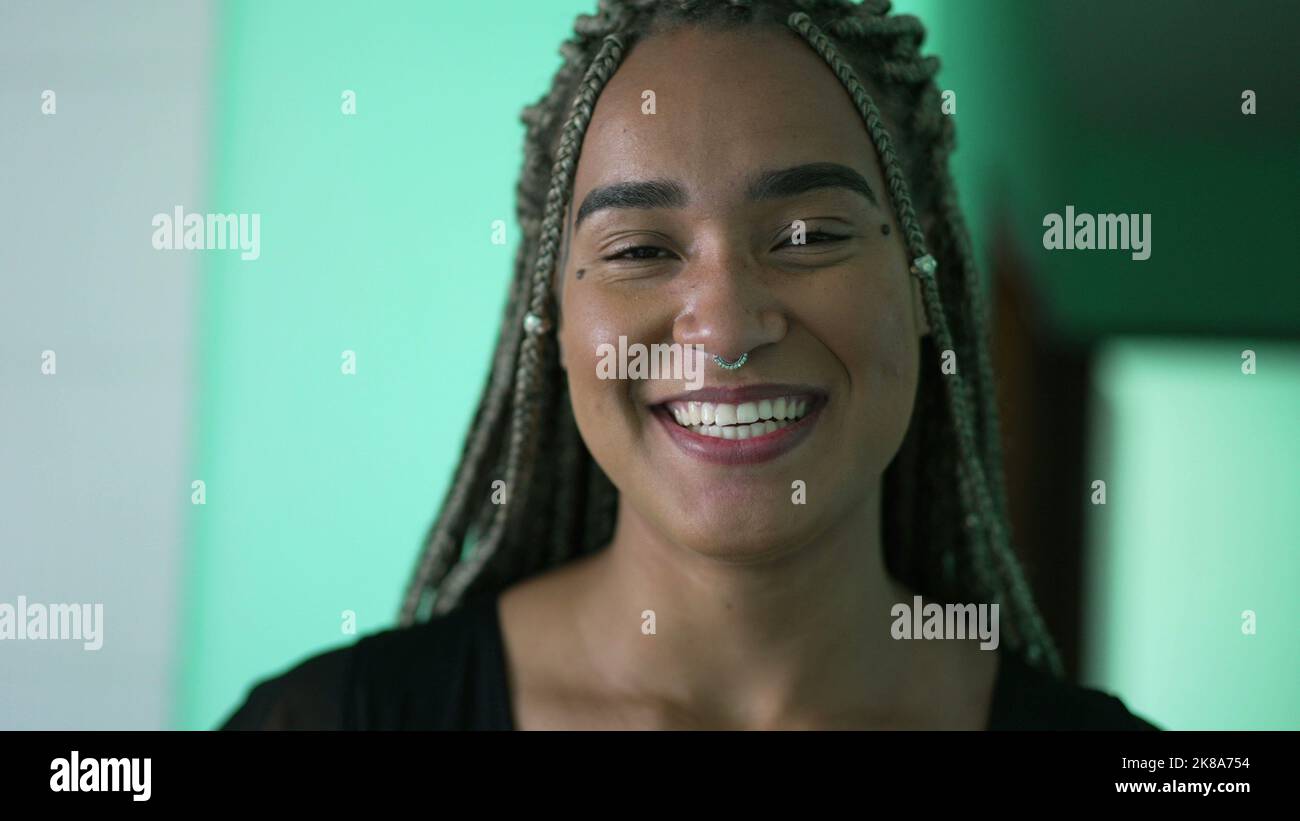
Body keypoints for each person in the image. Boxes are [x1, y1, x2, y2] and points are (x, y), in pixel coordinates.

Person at [221, 0, 1157, 731]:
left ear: (923, 281)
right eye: (638, 251)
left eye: (810, 235)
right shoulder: (329, 722)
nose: (725, 330)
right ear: (554, 317)